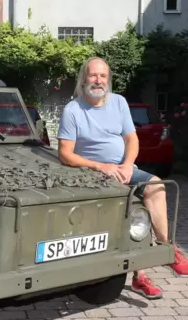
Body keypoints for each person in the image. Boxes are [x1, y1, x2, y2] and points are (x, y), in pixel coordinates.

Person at [57, 56, 188, 299]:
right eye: (93, 75)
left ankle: (167, 249)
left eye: (103, 76)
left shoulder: (119, 102)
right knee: (128, 209)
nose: (98, 80)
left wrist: (128, 165)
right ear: (84, 78)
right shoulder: (73, 109)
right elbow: (65, 153)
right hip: (90, 173)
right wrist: (100, 166)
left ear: (109, 80)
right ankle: (140, 275)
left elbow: (132, 140)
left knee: (156, 187)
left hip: (123, 168)